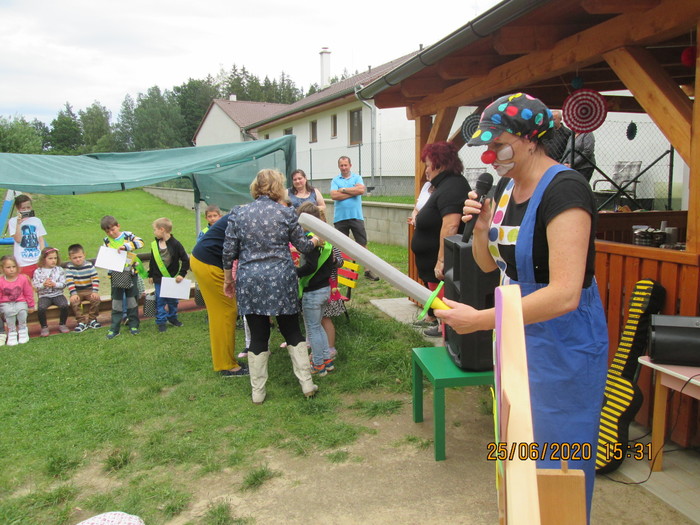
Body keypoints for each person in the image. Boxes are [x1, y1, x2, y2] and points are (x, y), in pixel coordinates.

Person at [435, 93, 607, 521]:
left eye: (499, 143)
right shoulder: (507, 189)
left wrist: (482, 321)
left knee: (557, 458)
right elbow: (486, 265)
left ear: (531, 139)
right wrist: (480, 228)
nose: (490, 155)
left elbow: (565, 293)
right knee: (517, 448)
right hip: (517, 335)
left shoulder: (566, 189)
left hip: (563, 343)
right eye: (486, 146)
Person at [222, 169, 321, 404]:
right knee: (292, 329)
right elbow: (304, 247)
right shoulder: (286, 213)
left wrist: (228, 280)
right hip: (281, 278)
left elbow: (228, 252)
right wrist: (316, 240)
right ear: (278, 187)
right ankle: (307, 384)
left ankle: (258, 392)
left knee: (258, 335)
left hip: (250, 280)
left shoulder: (238, 213)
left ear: (255, 187)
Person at [410, 141, 471, 338]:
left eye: (428, 165)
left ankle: (448, 336)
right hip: (432, 265)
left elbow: (451, 225)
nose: (426, 170)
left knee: (447, 306)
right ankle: (443, 330)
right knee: (441, 304)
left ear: (440, 164)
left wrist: (441, 260)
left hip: (443, 266)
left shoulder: (453, 186)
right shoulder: (445, 185)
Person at [191, 210, 248, 377]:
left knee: (221, 313)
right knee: (225, 313)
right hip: (209, 263)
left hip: (203, 260)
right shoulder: (254, 214)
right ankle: (226, 365)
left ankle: (226, 360)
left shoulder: (246, 210)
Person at [296, 202, 342, 376]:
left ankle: (317, 364)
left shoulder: (311, 241)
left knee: (313, 328)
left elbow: (311, 266)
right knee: (318, 326)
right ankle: (326, 360)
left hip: (313, 292)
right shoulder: (325, 239)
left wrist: (295, 271)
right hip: (324, 289)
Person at [330, 156, 379, 281]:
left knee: (362, 244)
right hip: (340, 218)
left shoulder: (357, 178)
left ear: (350, 165)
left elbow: (361, 190)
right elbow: (334, 195)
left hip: (356, 216)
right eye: (341, 165)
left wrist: (343, 190)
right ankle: (346, 272)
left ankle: (368, 270)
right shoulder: (335, 180)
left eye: (346, 165)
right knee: (341, 245)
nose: (344, 168)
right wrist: (353, 192)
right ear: (339, 166)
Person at [101, 215, 145, 339]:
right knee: (116, 302)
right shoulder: (106, 241)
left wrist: (125, 247)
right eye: (108, 231)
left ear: (118, 226)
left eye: (113, 229)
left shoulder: (128, 235)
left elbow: (141, 242)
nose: (111, 233)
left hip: (131, 273)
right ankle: (114, 328)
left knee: (132, 300)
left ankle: (134, 325)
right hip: (115, 275)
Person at [148, 217, 190, 332]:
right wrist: (150, 275)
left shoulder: (176, 244)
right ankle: (161, 321)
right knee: (160, 300)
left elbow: (185, 260)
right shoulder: (155, 245)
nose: (154, 232)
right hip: (158, 279)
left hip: (172, 279)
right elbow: (152, 261)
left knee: (173, 301)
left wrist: (182, 274)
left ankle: (172, 318)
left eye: (155, 229)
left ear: (162, 229)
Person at [32, 247, 71, 336]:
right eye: (50, 258)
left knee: (64, 305)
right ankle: (44, 326)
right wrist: (43, 285)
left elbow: (64, 284)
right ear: (43, 259)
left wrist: (55, 284)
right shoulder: (38, 271)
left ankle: (62, 324)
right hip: (44, 296)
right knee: (41, 308)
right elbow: (36, 286)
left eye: (55, 258)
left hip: (58, 294)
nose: (53, 260)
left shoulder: (59, 270)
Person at [8, 194, 47, 279]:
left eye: (28, 207)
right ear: (18, 209)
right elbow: (18, 239)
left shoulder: (36, 220)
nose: (26, 210)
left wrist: (43, 255)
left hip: (37, 259)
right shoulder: (12, 221)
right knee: (25, 283)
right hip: (22, 262)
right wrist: (18, 224)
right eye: (23, 208)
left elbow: (41, 239)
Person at [65, 244, 102, 332]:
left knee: (96, 299)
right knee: (74, 301)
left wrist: (95, 291)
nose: (78, 259)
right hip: (77, 291)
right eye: (75, 258)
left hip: (89, 290)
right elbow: (69, 281)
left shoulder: (89, 265)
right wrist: (73, 294)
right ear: (70, 258)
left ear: (84, 255)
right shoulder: (69, 267)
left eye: (80, 257)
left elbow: (95, 279)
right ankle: (81, 322)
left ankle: (92, 319)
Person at [0, 255, 34, 345]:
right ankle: (12, 332)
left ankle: (23, 330)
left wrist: (31, 305)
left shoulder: (23, 279)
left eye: (13, 267)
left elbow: (28, 293)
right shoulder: (1, 281)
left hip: (20, 301)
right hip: (6, 303)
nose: (12, 269)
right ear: (2, 268)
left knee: (22, 311)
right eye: (8, 267)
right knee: (8, 312)